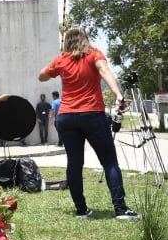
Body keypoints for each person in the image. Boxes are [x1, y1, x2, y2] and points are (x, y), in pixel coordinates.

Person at [38, 26, 139, 220]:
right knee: (109, 161)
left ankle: (81, 210)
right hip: (92, 114)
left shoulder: (61, 59)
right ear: (85, 38)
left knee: (74, 164)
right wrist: (118, 95)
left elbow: (41, 75)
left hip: (66, 117)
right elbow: (104, 70)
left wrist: (57, 64)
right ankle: (120, 209)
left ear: (67, 40)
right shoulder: (94, 54)